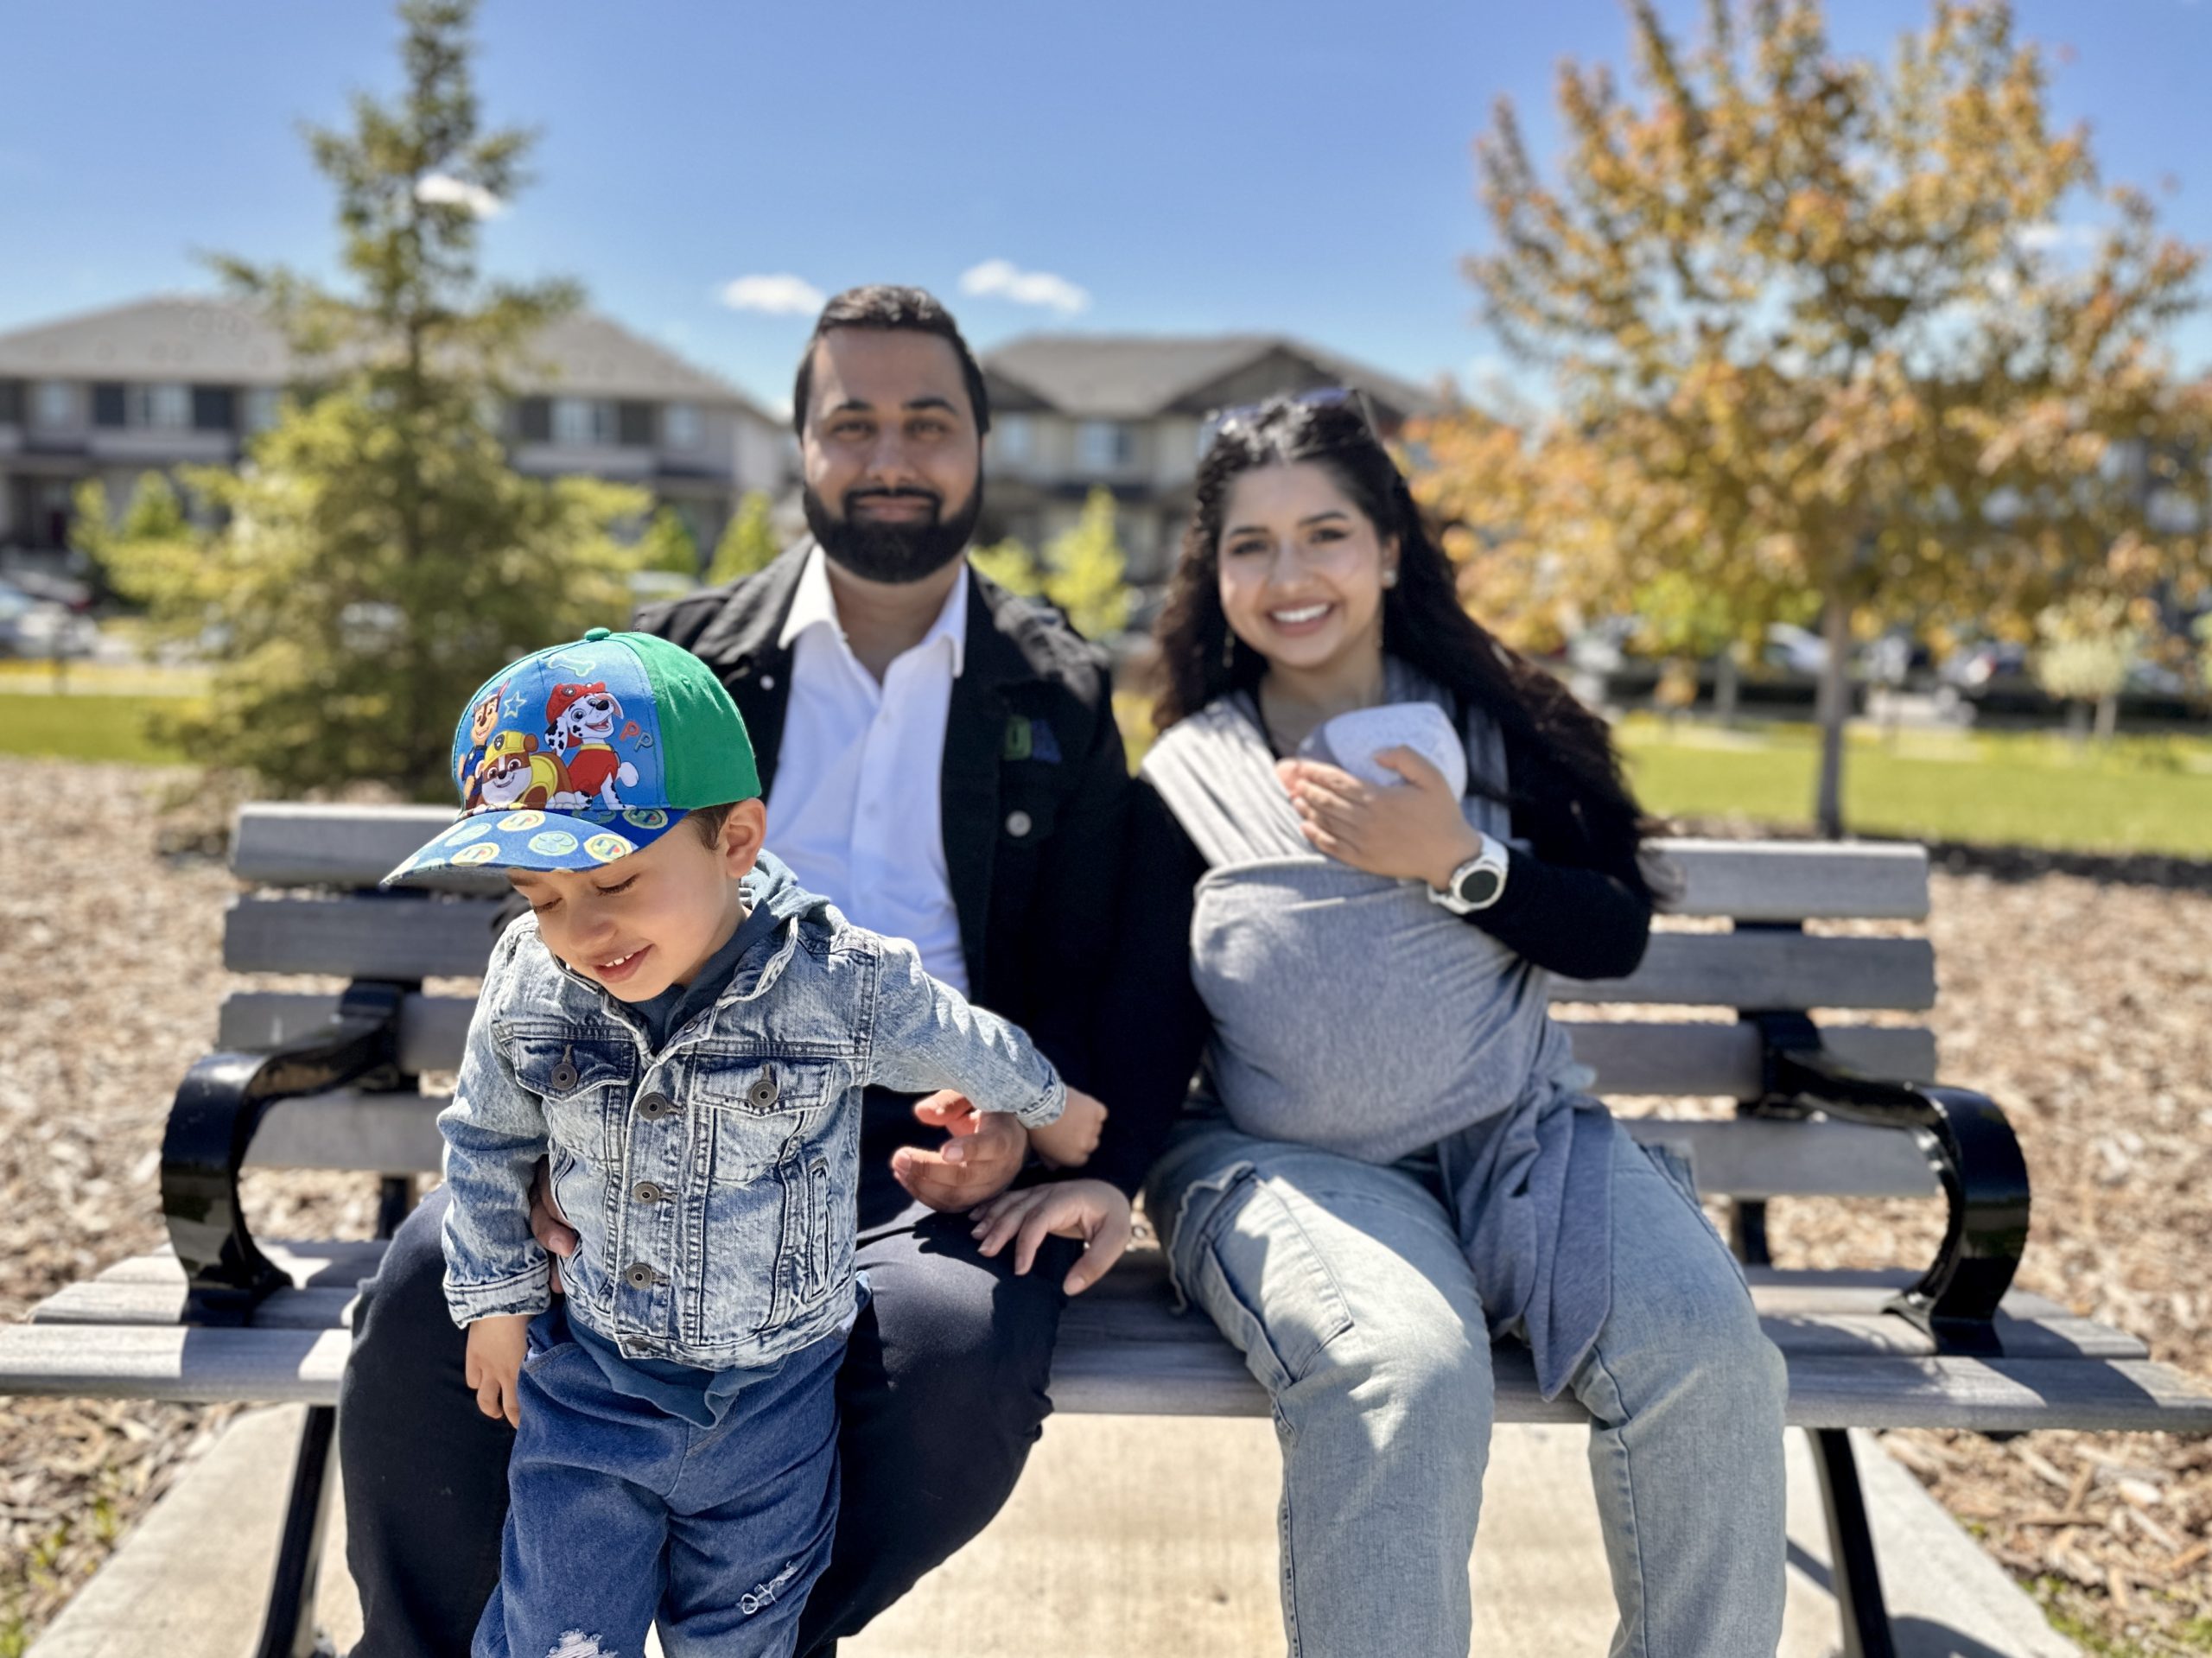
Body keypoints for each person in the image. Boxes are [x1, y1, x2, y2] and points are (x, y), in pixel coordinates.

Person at [338, 287, 1165, 1658]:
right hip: (645, 1102)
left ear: (979, 447)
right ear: (800, 447)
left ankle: (751, 1628)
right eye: (853, 421)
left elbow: (1093, 964)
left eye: (929, 421)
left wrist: (1045, 1138)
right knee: (437, 1280)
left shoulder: (1053, 687)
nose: (891, 452)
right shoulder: (671, 667)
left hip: (919, 1150)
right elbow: (558, 909)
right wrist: (566, 1128)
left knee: (954, 1354)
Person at [1114, 393, 1790, 1657]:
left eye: (1325, 533)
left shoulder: (1498, 727)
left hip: (1521, 1142)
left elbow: (1613, 929)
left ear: (1387, 548)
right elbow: (1149, 1020)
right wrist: (1103, 1177)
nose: (1291, 572)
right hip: (1293, 1167)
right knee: (1405, 1374)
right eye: (1250, 545)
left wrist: (1463, 858)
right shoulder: (1186, 777)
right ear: (1216, 576)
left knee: (1712, 1355)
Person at [384, 626, 1076, 1657]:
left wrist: (1054, 1107)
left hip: (775, 1412)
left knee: (742, 1639)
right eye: (539, 894)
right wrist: (496, 1306)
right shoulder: (531, 978)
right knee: (554, 1635)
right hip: (592, 1394)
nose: (579, 927)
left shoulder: (832, 978)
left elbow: (953, 1036)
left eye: (612, 881)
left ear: (736, 840)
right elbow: (483, 1140)